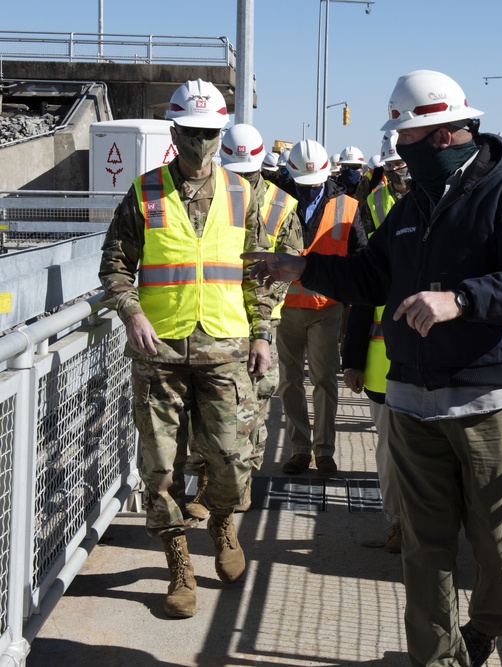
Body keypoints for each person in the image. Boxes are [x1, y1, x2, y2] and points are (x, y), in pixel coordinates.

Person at [244, 69, 502, 667]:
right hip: (413, 404)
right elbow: (369, 275)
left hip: (488, 404)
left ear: (443, 135)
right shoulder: (413, 203)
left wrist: (461, 299)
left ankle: (493, 617)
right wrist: (301, 268)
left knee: (497, 547)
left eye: (406, 137)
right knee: (424, 549)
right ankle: (437, 659)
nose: (398, 150)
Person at [99, 79, 274, 619]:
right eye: (193, 134)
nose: (202, 145)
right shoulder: (144, 191)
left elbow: (260, 274)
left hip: (225, 348)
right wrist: (131, 313)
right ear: (176, 132)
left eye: (211, 135)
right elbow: (115, 264)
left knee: (232, 459)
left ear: (221, 135)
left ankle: (222, 522)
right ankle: (179, 567)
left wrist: (263, 333)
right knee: (161, 466)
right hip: (161, 354)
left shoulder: (245, 196)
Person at [183, 124, 302, 522]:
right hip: (216, 328)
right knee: (208, 414)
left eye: (249, 173)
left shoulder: (282, 206)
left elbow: (285, 270)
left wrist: (261, 328)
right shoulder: (211, 195)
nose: (243, 179)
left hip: (258, 329)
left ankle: (242, 484)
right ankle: (206, 487)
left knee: (251, 415)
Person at [278, 139, 364, 477]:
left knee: (325, 380)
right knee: (289, 381)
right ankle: (300, 450)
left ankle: (324, 451)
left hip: (327, 307)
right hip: (286, 307)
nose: (309, 190)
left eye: (314, 185)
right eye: (303, 184)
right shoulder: (281, 201)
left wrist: (350, 295)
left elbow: (360, 256)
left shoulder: (347, 206)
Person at [341, 130, 409, 553]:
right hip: (385, 362)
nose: (401, 174)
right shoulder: (373, 207)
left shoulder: (456, 203)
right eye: (395, 167)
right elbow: (364, 288)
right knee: (389, 452)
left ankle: (429, 526)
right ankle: (398, 523)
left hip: (440, 363)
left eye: (405, 165)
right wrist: (353, 358)